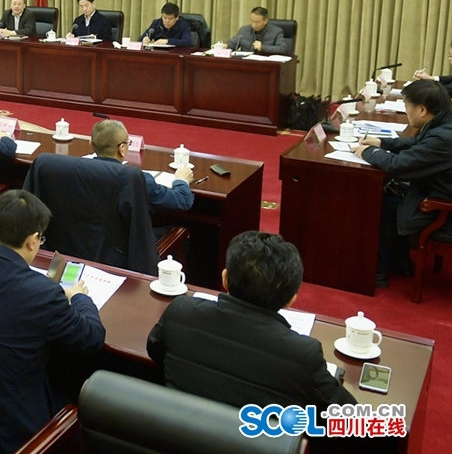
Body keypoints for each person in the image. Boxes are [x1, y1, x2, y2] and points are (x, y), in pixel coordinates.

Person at [0, 190, 106, 454]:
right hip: (17, 433)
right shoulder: (43, 293)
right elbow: (92, 338)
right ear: (32, 241)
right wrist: (79, 298)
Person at [147, 231, 356, 411]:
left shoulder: (181, 312)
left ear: (225, 279)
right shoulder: (303, 355)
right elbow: (348, 417)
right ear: (291, 299)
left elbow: (156, 349)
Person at [353, 79, 452, 287]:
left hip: (442, 210)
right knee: (390, 191)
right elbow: (418, 143)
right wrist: (382, 142)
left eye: (407, 106)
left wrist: (368, 152)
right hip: (438, 191)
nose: (406, 111)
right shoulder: (444, 122)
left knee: (382, 203)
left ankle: (378, 273)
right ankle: (399, 263)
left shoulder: (443, 139)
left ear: (422, 109)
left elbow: (397, 165)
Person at [90, 120, 194, 225]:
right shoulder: (138, 179)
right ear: (122, 149)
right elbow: (182, 201)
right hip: (129, 235)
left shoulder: (81, 172)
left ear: (91, 144)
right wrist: (181, 180)